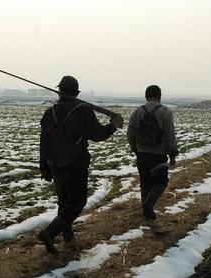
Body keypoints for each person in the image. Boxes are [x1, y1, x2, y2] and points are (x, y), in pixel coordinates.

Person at [38, 75, 124, 254]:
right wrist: (113, 126)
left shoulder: (49, 112)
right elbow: (97, 134)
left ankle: (68, 237)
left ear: (60, 91)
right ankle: (50, 232)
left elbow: (44, 142)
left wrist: (44, 166)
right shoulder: (82, 110)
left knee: (65, 203)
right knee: (77, 203)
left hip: (55, 164)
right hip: (75, 164)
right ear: (76, 93)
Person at [127, 85, 178, 221]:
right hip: (158, 155)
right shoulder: (165, 112)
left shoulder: (137, 111)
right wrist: (172, 155)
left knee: (145, 182)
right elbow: (170, 136)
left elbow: (130, 132)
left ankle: (146, 211)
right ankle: (148, 204)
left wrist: (134, 148)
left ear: (146, 96)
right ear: (159, 96)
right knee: (161, 181)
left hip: (142, 154)